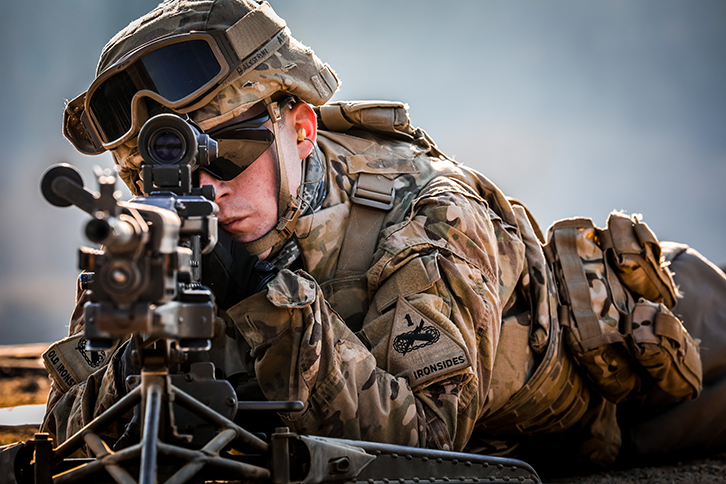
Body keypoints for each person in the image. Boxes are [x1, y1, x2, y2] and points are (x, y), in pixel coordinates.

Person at [41, 0, 726, 473]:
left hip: (636, 383)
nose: (204, 192)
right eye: (160, 176)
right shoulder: (158, 231)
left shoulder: (425, 214)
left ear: (300, 130)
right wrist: (135, 371)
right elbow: (68, 419)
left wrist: (257, 293)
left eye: (227, 156)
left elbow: (427, 447)